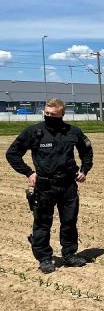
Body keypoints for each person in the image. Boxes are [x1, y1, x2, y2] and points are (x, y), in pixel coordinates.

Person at [6, 98, 93, 274]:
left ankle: (69, 255)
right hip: (45, 186)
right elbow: (12, 154)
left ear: (62, 114)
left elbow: (87, 152)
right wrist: (29, 173)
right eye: (46, 113)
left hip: (68, 185)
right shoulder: (34, 132)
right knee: (42, 223)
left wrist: (84, 170)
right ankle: (44, 258)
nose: (49, 116)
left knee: (69, 222)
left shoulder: (73, 132)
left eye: (53, 114)